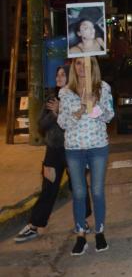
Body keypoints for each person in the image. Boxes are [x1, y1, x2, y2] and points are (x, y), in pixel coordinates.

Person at [15, 65, 91, 243]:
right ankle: (35, 224)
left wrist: (62, 111)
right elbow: (41, 124)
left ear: (70, 77)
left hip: (73, 148)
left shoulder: (77, 97)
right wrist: (54, 113)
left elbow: (81, 122)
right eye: (57, 74)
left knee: (78, 187)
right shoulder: (51, 98)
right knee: (49, 188)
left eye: (63, 74)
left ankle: (83, 221)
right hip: (53, 150)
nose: (58, 77)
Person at [57, 56, 114, 255]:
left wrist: (95, 106)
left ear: (93, 66)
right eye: (78, 63)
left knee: (97, 191)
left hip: (97, 146)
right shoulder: (65, 92)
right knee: (79, 193)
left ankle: (99, 231)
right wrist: (81, 109)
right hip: (74, 149)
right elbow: (62, 122)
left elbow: (109, 116)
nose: (82, 67)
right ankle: (80, 234)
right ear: (74, 66)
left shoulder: (103, 87)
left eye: (86, 63)